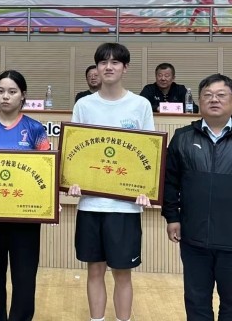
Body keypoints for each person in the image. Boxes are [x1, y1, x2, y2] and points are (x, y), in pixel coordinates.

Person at [162, 73, 232, 320]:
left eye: (221, 95)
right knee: (196, 302)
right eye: (208, 95)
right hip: (193, 237)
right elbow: (169, 182)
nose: (214, 100)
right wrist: (172, 217)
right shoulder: (182, 137)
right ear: (199, 101)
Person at [68, 43, 154, 321]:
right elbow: (75, 152)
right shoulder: (84, 105)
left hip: (125, 207)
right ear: (96, 67)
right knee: (94, 270)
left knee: (122, 273)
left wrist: (146, 189)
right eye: (103, 62)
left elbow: (149, 153)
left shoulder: (140, 105)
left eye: (115, 62)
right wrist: (73, 181)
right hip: (91, 204)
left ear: (125, 68)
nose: (108, 67)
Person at [0, 70, 51, 321]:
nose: (5, 96)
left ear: (23, 96)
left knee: (24, 276)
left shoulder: (35, 129)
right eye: (1, 91)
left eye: (12, 92)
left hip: (25, 217)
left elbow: (46, 171)